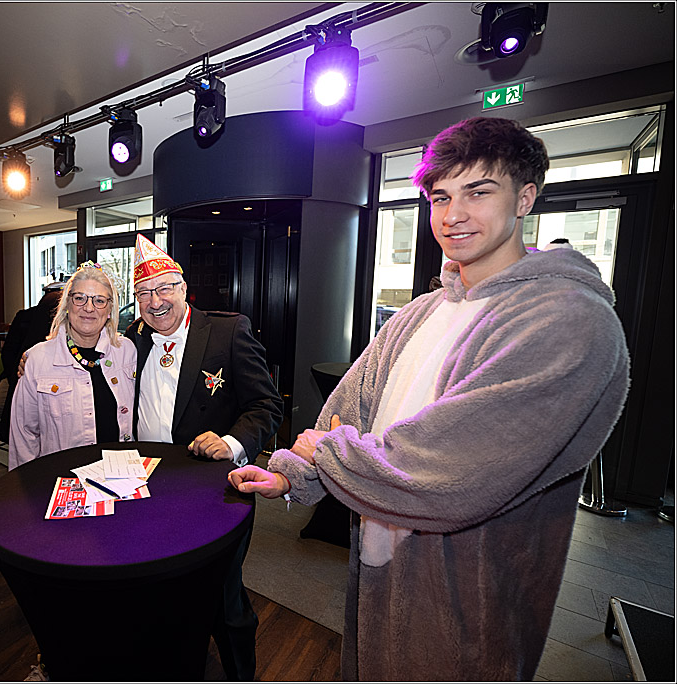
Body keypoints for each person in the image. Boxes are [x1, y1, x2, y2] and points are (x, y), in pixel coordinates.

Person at [229, 116, 631, 680]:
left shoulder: (568, 321)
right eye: (441, 196)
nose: (453, 214)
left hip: (468, 599)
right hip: (377, 568)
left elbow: (443, 476)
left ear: (526, 198)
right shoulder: (420, 313)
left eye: (478, 191)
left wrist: (329, 452)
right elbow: (348, 412)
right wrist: (296, 473)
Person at [126, 234, 283, 681]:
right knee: (162, 587)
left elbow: (267, 406)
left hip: (214, 487)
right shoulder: (131, 339)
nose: (155, 302)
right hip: (148, 485)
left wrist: (232, 444)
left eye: (163, 289)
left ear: (182, 287)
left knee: (224, 596)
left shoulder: (228, 329)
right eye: (143, 294)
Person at [8, 262, 136, 469]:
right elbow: (23, 434)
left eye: (100, 300)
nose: (88, 307)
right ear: (67, 305)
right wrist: (26, 488)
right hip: (64, 479)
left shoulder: (128, 351)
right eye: (79, 298)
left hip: (121, 474)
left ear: (111, 309)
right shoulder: (38, 359)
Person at [0, 282, 64, 441]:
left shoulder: (68, 321)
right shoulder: (24, 317)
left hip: (55, 379)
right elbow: (8, 353)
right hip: (17, 372)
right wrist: (16, 376)